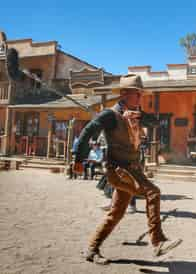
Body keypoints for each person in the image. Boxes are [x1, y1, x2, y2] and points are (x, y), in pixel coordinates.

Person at [73, 74, 180, 264]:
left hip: (133, 170)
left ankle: (91, 249)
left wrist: (140, 116)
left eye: (140, 94)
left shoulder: (135, 113)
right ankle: (157, 242)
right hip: (118, 171)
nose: (140, 97)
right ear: (123, 94)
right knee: (153, 192)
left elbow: (156, 123)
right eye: (136, 94)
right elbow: (88, 132)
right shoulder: (109, 115)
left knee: (116, 213)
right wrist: (79, 158)